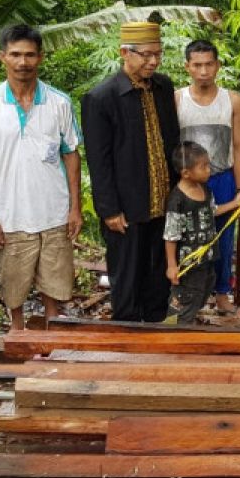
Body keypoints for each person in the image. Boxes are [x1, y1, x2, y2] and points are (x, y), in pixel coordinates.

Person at [0, 25, 82, 330]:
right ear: (2, 57)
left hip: (54, 211)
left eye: (30, 55)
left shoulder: (59, 103)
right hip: (10, 214)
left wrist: (75, 208)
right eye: (16, 55)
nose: (23, 62)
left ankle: (53, 329)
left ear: (40, 58)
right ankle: (17, 333)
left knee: (55, 282)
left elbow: (71, 154)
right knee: (13, 285)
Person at [81, 21, 180, 322]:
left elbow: (173, 141)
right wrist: (109, 209)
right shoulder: (101, 98)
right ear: (124, 52)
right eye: (145, 55)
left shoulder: (163, 87)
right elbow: (99, 160)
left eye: (158, 55)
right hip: (127, 203)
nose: (152, 61)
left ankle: (156, 325)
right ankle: (126, 332)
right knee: (126, 272)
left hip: (163, 200)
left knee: (158, 272)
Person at [176, 40, 240, 314]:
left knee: (222, 238)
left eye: (209, 64)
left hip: (222, 177)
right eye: (197, 65)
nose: (203, 71)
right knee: (188, 238)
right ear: (188, 67)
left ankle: (222, 293)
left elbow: (239, 145)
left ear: (217, 66)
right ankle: (188, 292)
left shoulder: (232, 100)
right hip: (187, 182)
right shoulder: (177, 99)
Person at [164, 142, 240, 324]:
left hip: (207, 258)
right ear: (186, 173)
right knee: (186, 295)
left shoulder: (205, 190)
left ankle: (186, 320)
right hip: (189, 263)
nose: (209, 170)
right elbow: (171, 235)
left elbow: (212, 211)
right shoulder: (177, 201)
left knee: (205, 288)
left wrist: (234, 203)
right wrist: (171, 265)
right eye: (204, 167)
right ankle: (174, 327)